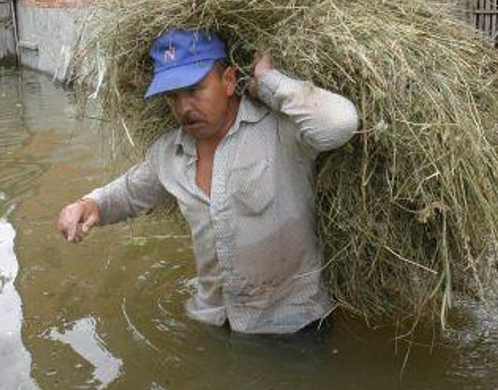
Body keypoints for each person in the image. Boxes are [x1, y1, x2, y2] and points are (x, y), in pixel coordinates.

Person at [56, 28, 359, 334]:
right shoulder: (169, 152)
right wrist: (90, 203)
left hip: (294, 327)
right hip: (214, 322)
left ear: (228, 81)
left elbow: (340, 122)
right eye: (172, 96)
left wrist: (267, 82)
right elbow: (130, 192)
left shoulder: (280, 132)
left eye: (194, 89)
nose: (183, 107)